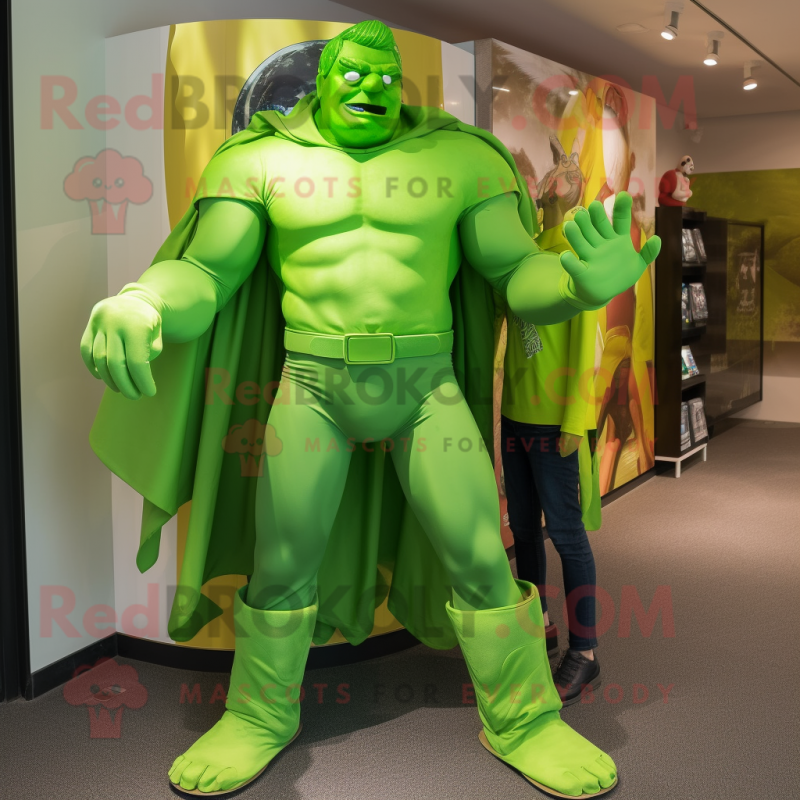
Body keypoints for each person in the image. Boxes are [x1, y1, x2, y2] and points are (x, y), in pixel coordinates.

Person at [81, 21, 658, 798]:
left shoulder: (461, 160)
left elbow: (514, 273)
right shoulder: (258, 161)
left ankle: (524, 718)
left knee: (480, 556)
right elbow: (207, 275)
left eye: (386, 77)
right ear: (322, 81)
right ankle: (258, 713)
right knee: (282, 559)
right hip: (312, 385)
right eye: (353, 74)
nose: (371, 88)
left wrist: (575, 284)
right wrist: (144, 299)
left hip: (425, 388)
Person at [501, 243, 603, 705]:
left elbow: (586, 346)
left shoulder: (577, 257)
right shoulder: (523, 258)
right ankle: (538, 622)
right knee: (523, 529)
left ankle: (585, 651)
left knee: (566, 534)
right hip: (515, 415)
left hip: (554, 422)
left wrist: (575, 421)